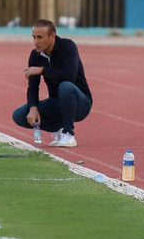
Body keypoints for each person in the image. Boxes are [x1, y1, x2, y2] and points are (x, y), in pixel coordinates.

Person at [11, 19, 92, 147]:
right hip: (56, 103)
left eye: (40, 37)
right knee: (19, 115)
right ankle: (58, 130)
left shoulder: (68, 46)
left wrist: (42, 70)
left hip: (80, 103)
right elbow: (33, 88)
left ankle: (68, 134)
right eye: (33, 37)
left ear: (52, 36)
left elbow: (69, 76)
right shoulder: (35, 55)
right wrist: (33, 108)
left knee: (65, 86)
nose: (36, 42)